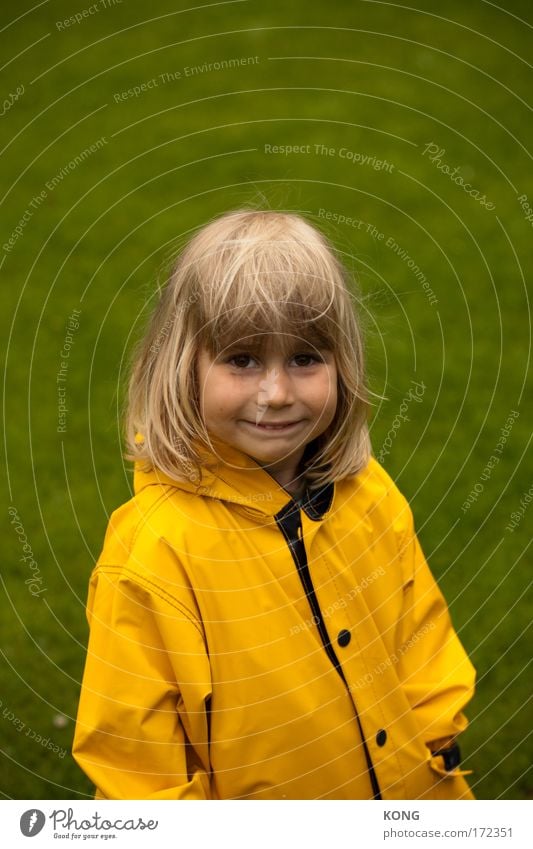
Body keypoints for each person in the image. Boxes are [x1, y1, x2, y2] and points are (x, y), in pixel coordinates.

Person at [72, 208, 476, 800]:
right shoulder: (154, 551)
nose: (277, 393)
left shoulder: (368, 493)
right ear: (184, 368)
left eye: (305, 359)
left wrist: (438, 747)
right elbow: (137, 768)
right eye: (242, 359)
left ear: (343, 363)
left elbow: (421, 636)